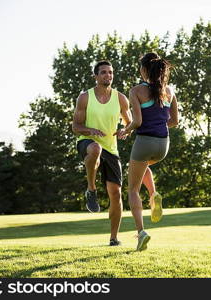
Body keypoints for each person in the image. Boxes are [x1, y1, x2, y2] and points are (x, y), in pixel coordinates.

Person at [119, 52, 179, 251]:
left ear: (144, 70)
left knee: (133, 189)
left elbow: (137, 122)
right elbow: (174, 121)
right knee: (142, 167)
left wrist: (124, 131)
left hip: (144, 142)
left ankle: (141, 233)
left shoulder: (135, 91)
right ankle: (154, 195)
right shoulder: (169, 91)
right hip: (163, 145)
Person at [72, 60, 131, 246]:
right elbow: (75, 127)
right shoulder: (85, 97)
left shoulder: (121, 98)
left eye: (111, 72)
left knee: (116, 193)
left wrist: (124, 130)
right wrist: (89, 131)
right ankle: (91, 189)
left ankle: (113, 238)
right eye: (104, 72)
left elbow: (130, 123)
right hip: (87, 142)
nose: (108, 75)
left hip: (111, 148)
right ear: (96, 76)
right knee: (95, 149)